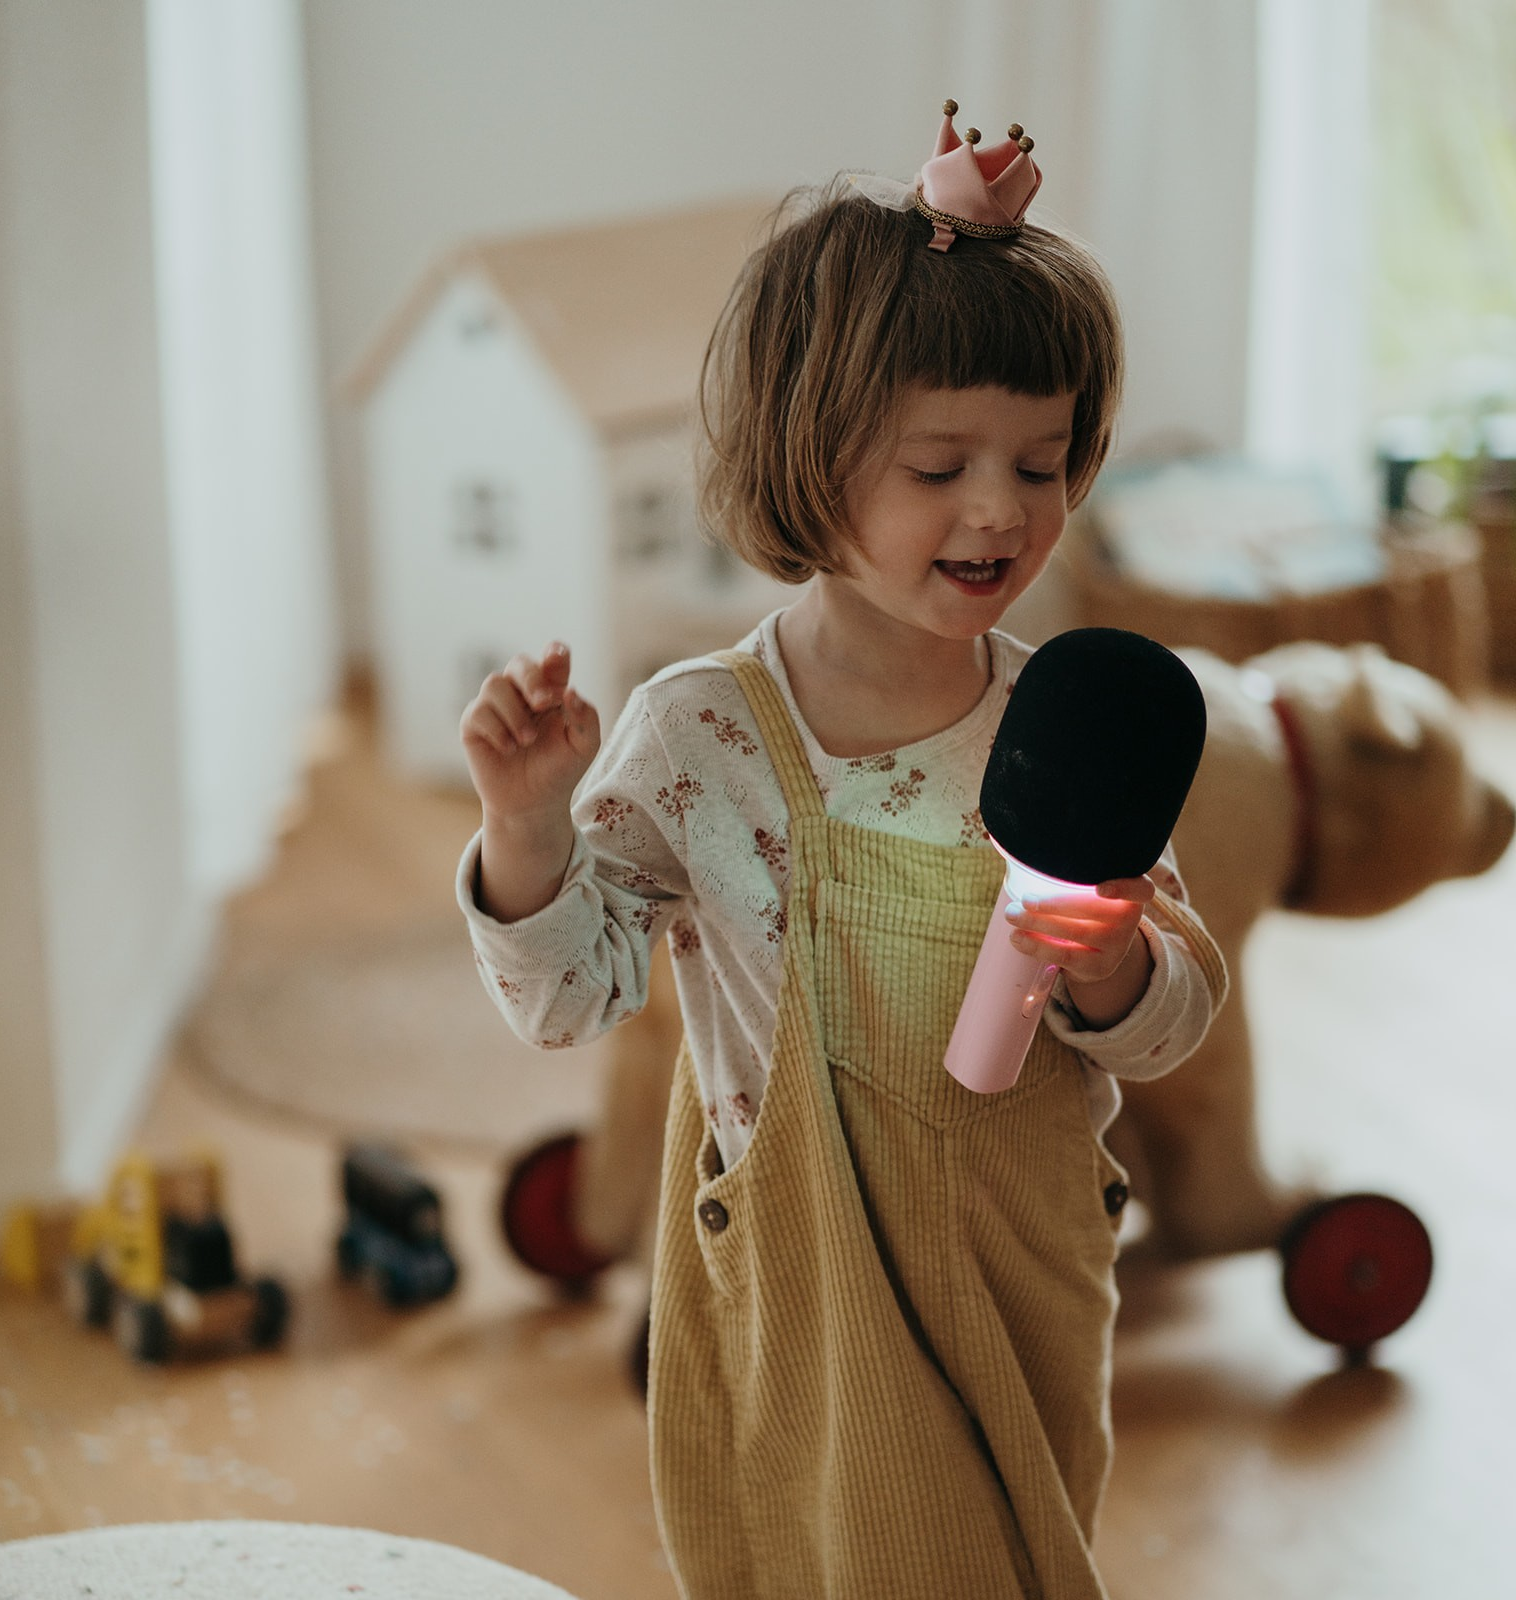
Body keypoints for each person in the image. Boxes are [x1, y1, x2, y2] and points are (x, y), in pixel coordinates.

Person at [457, 103, 1227, 1600]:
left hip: (1021, 1264)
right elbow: (566, 1000)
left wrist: (1123, 965)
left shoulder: (1057, 720)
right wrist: (526, 830)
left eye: (1043, 460)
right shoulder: (701, 737)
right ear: (812, 459)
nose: (1000, 509)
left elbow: (1174, 1018)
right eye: (939, 468)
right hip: (806, 1274)